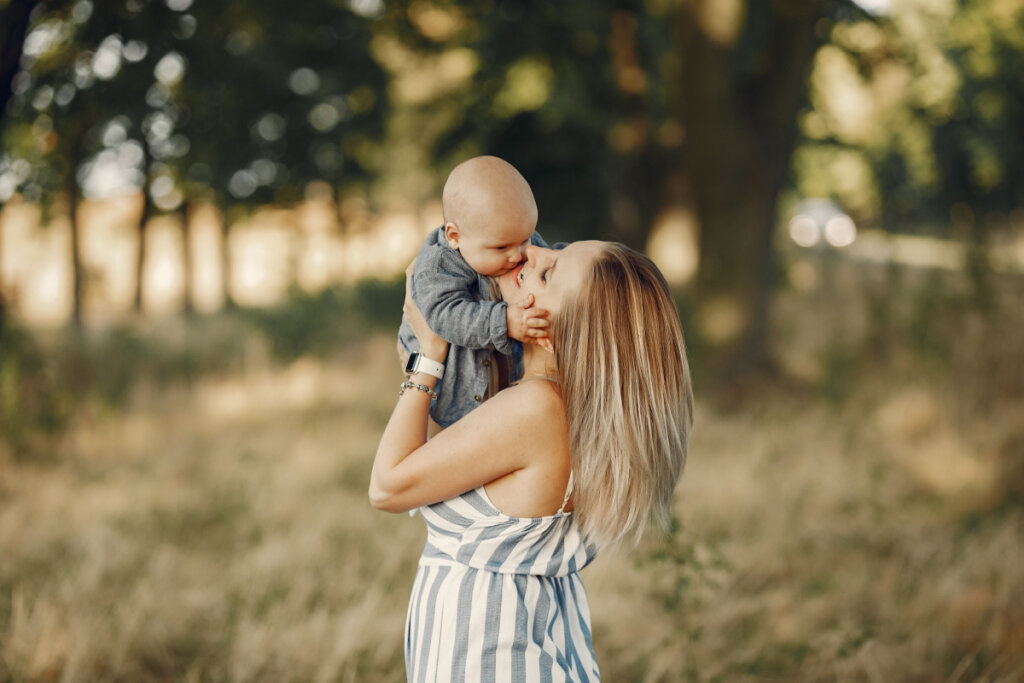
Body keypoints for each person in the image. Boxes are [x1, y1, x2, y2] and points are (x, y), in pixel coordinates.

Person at [371, 240, 694, 682]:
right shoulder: (561, 408)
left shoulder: (537, 410)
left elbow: (388, 487)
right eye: (554, 249)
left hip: (491, 661)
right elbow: (434, 459)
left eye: (547, 273)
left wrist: (428, 356)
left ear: (551, 331)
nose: (532, 253)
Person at [398, 155, 554, 430]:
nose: (519, 254)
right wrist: (504, 321)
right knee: (455, 439)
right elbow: (444, 316)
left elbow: (550, 260)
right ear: (455, 237)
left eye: (527, 238)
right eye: (501, 248)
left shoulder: (511, 238)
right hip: (451, 385)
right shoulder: (437, 266)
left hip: (500, 371)